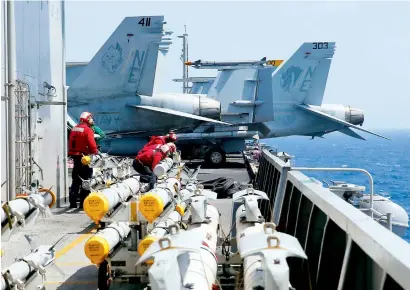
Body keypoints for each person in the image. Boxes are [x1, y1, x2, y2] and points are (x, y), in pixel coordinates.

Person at [68, 112, 98, 209]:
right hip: (85, 158)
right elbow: (92, 144)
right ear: (87, 119)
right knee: (86, 180)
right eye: (91, 118)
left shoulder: (74, 128)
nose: (92, 120)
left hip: (75, 158)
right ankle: (83, 203)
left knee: (76, 180)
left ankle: (72, 203)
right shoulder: (88, 130)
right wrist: (96, 152)